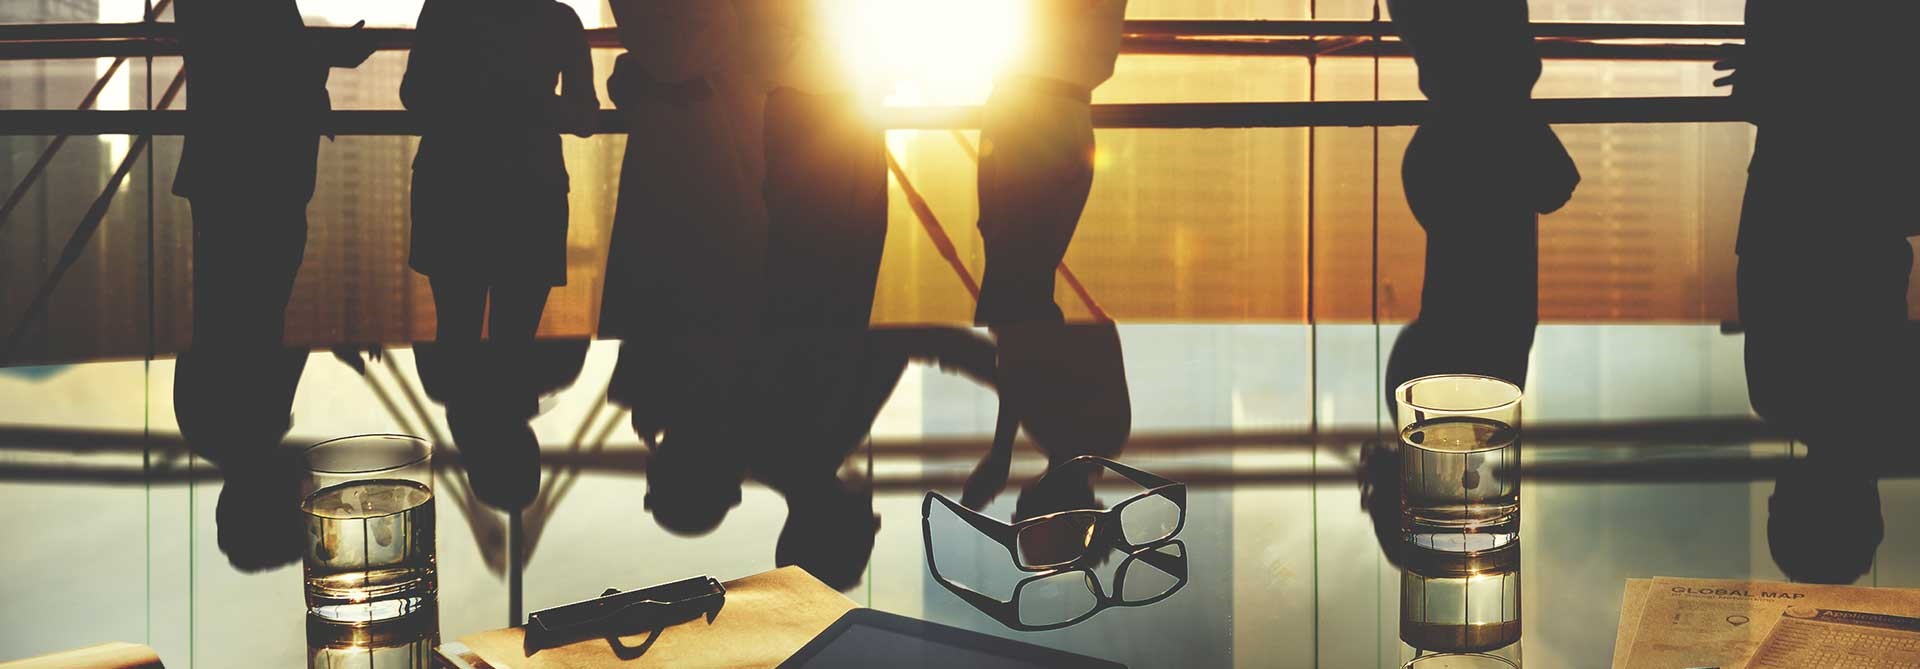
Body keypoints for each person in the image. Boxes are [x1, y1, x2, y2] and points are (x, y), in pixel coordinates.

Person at [1716, 0, 1914, 583]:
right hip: (1809, 218)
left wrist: (1781, 89)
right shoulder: (1778, 392)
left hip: (1829, 215)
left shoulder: (1898, 410)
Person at [401, 0, 595, 508]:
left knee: (459, 326)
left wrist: (474, 99)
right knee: (510, 337)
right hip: (530, 192)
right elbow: (585, 116)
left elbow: (414, 95)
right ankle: (487, 400)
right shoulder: (559, 21)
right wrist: (532, 105)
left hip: (455, 183)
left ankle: (485, 399)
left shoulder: (447, 11)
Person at [1381, 0, 1580, 412]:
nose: (1532, 52)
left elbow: (1554, 183)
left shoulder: (1460, 129)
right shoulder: (1496, 123)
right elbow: (1556, 184)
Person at [601, 0, 766, 442]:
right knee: (710, 258)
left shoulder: (657, 63)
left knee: (662, 254)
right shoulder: (715, 65)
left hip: (665, 137)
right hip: (712, 138)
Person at [973, 0, 1128, 325]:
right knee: (1022, 271)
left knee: (1015, 266)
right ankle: (1023, 363)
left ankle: (1015, 363)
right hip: (1045, 106)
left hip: (1035, 102)